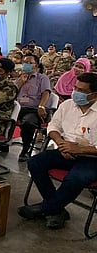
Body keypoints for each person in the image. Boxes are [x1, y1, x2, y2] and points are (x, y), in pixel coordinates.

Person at [18, 72, 97, 230]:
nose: (75, 92)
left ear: (94, 94)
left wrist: (80, 149)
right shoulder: (67, 105)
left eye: (81, 90)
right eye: (75, 87)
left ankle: (46, 208)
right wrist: (61, 143)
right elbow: (53, 127)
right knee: (35, 162)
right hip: (65, 149)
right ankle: (57, 209)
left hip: (91, 157)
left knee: (74, 179)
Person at [0, 54, 51, 162]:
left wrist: (41, 106)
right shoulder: (21, 77)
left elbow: (46, 93)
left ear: (36, 65)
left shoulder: (42, 78)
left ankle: (26, 149)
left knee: (27, 123)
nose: (27, 65)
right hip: (18, 108)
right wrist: (21, 81)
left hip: (33, 109)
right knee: (0, 116)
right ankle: (3, 144)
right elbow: (12, 91)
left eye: (30, 63)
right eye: (25, 62)